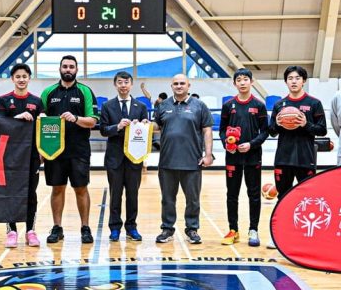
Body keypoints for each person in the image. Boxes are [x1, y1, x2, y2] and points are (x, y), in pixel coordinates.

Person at [40, 55, 99, 244]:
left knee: (81, 188)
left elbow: (92, 121)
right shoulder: (48, 92)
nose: (68, 69)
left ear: (76, 70)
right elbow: (40, 121)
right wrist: (41, 150)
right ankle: (57, 228)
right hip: (54, 151)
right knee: (57, 188)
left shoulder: (85, 91)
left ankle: (85, 227)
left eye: (71, 67)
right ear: (59, 69)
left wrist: (76, 118)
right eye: (65, 66)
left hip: (78, 150)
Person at [268, 65, 327, 248]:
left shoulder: (314, 103)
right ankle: (278, 234)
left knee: (307, 200)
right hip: (283, 158)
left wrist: (305, 124)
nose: (293, 81)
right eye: (290, 78)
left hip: (305, 158)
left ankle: (305, 235)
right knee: (283, 197)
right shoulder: (279, 105)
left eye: (297, 78)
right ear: (286, 82)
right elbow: (271, 132)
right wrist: (278, 123)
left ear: (304, 81)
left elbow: (322, 130)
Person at [154, 74, 214, 244]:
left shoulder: (199, 106)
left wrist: (208, 155)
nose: (179, 86)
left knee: (193, 200)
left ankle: (192, 229)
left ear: (189, 85)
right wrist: (142, 125)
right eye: (176, 84)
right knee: (167, 199)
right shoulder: (163, 106)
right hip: (167, 162)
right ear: (171, 86)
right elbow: (156, 126)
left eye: (182, 83)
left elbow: (207, 130)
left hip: (192, 161)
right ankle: (167, 229)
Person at [0, 63, 43, 248]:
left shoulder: (37, 101)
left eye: (24, 76)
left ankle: (31, 231)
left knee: (31, 193)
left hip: (32, 155)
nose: (21, 80)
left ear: (29, 78)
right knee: (11, 193)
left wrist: (43, 151)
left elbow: (43, 128)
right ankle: (11, 231)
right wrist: (17, 118)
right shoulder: (3, 100)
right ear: (12, 79)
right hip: (9, 156)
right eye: (18, 76)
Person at [219, 69, 268, 247]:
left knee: (254, 195)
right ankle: (233, 230)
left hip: (253, 157)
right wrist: (227, 144)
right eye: (238, 80)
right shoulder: (228, 105)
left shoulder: (259, 105)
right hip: (232, 158)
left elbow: (265, 131)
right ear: (234, 84)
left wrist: (251, 144)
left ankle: (253, 230)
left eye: (245, 79)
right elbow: (222, 130)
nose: (242, 82)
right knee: (232, 195)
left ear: (251, 82)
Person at [100, 71, 148, 242]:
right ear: (115, 85)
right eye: (120, 82)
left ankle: (131, 227)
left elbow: (146, 130)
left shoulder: (140, 107)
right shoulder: (107, 106)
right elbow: (103, 130)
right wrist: (118, 126)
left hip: (134, 158)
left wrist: (143, 125)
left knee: (133, 195)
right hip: (114, 158)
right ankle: (114, 228)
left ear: (131, 84)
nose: (123, 85)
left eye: (126, 82)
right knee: (115, 195)